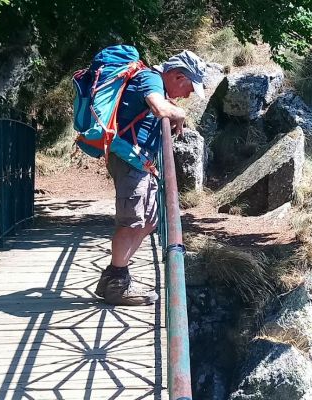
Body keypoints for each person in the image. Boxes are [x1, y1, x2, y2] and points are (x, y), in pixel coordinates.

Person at [95, 47, 210, 306]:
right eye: (190, 88)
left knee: (149, 220)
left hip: (139, 162)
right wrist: (178, 113)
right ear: (178, 77)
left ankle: (113, 277)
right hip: (129, 160)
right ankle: (116, 285)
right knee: (132, 221)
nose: (188, 95)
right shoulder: (150, 79)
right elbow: (158, 107)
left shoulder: (154, 81)